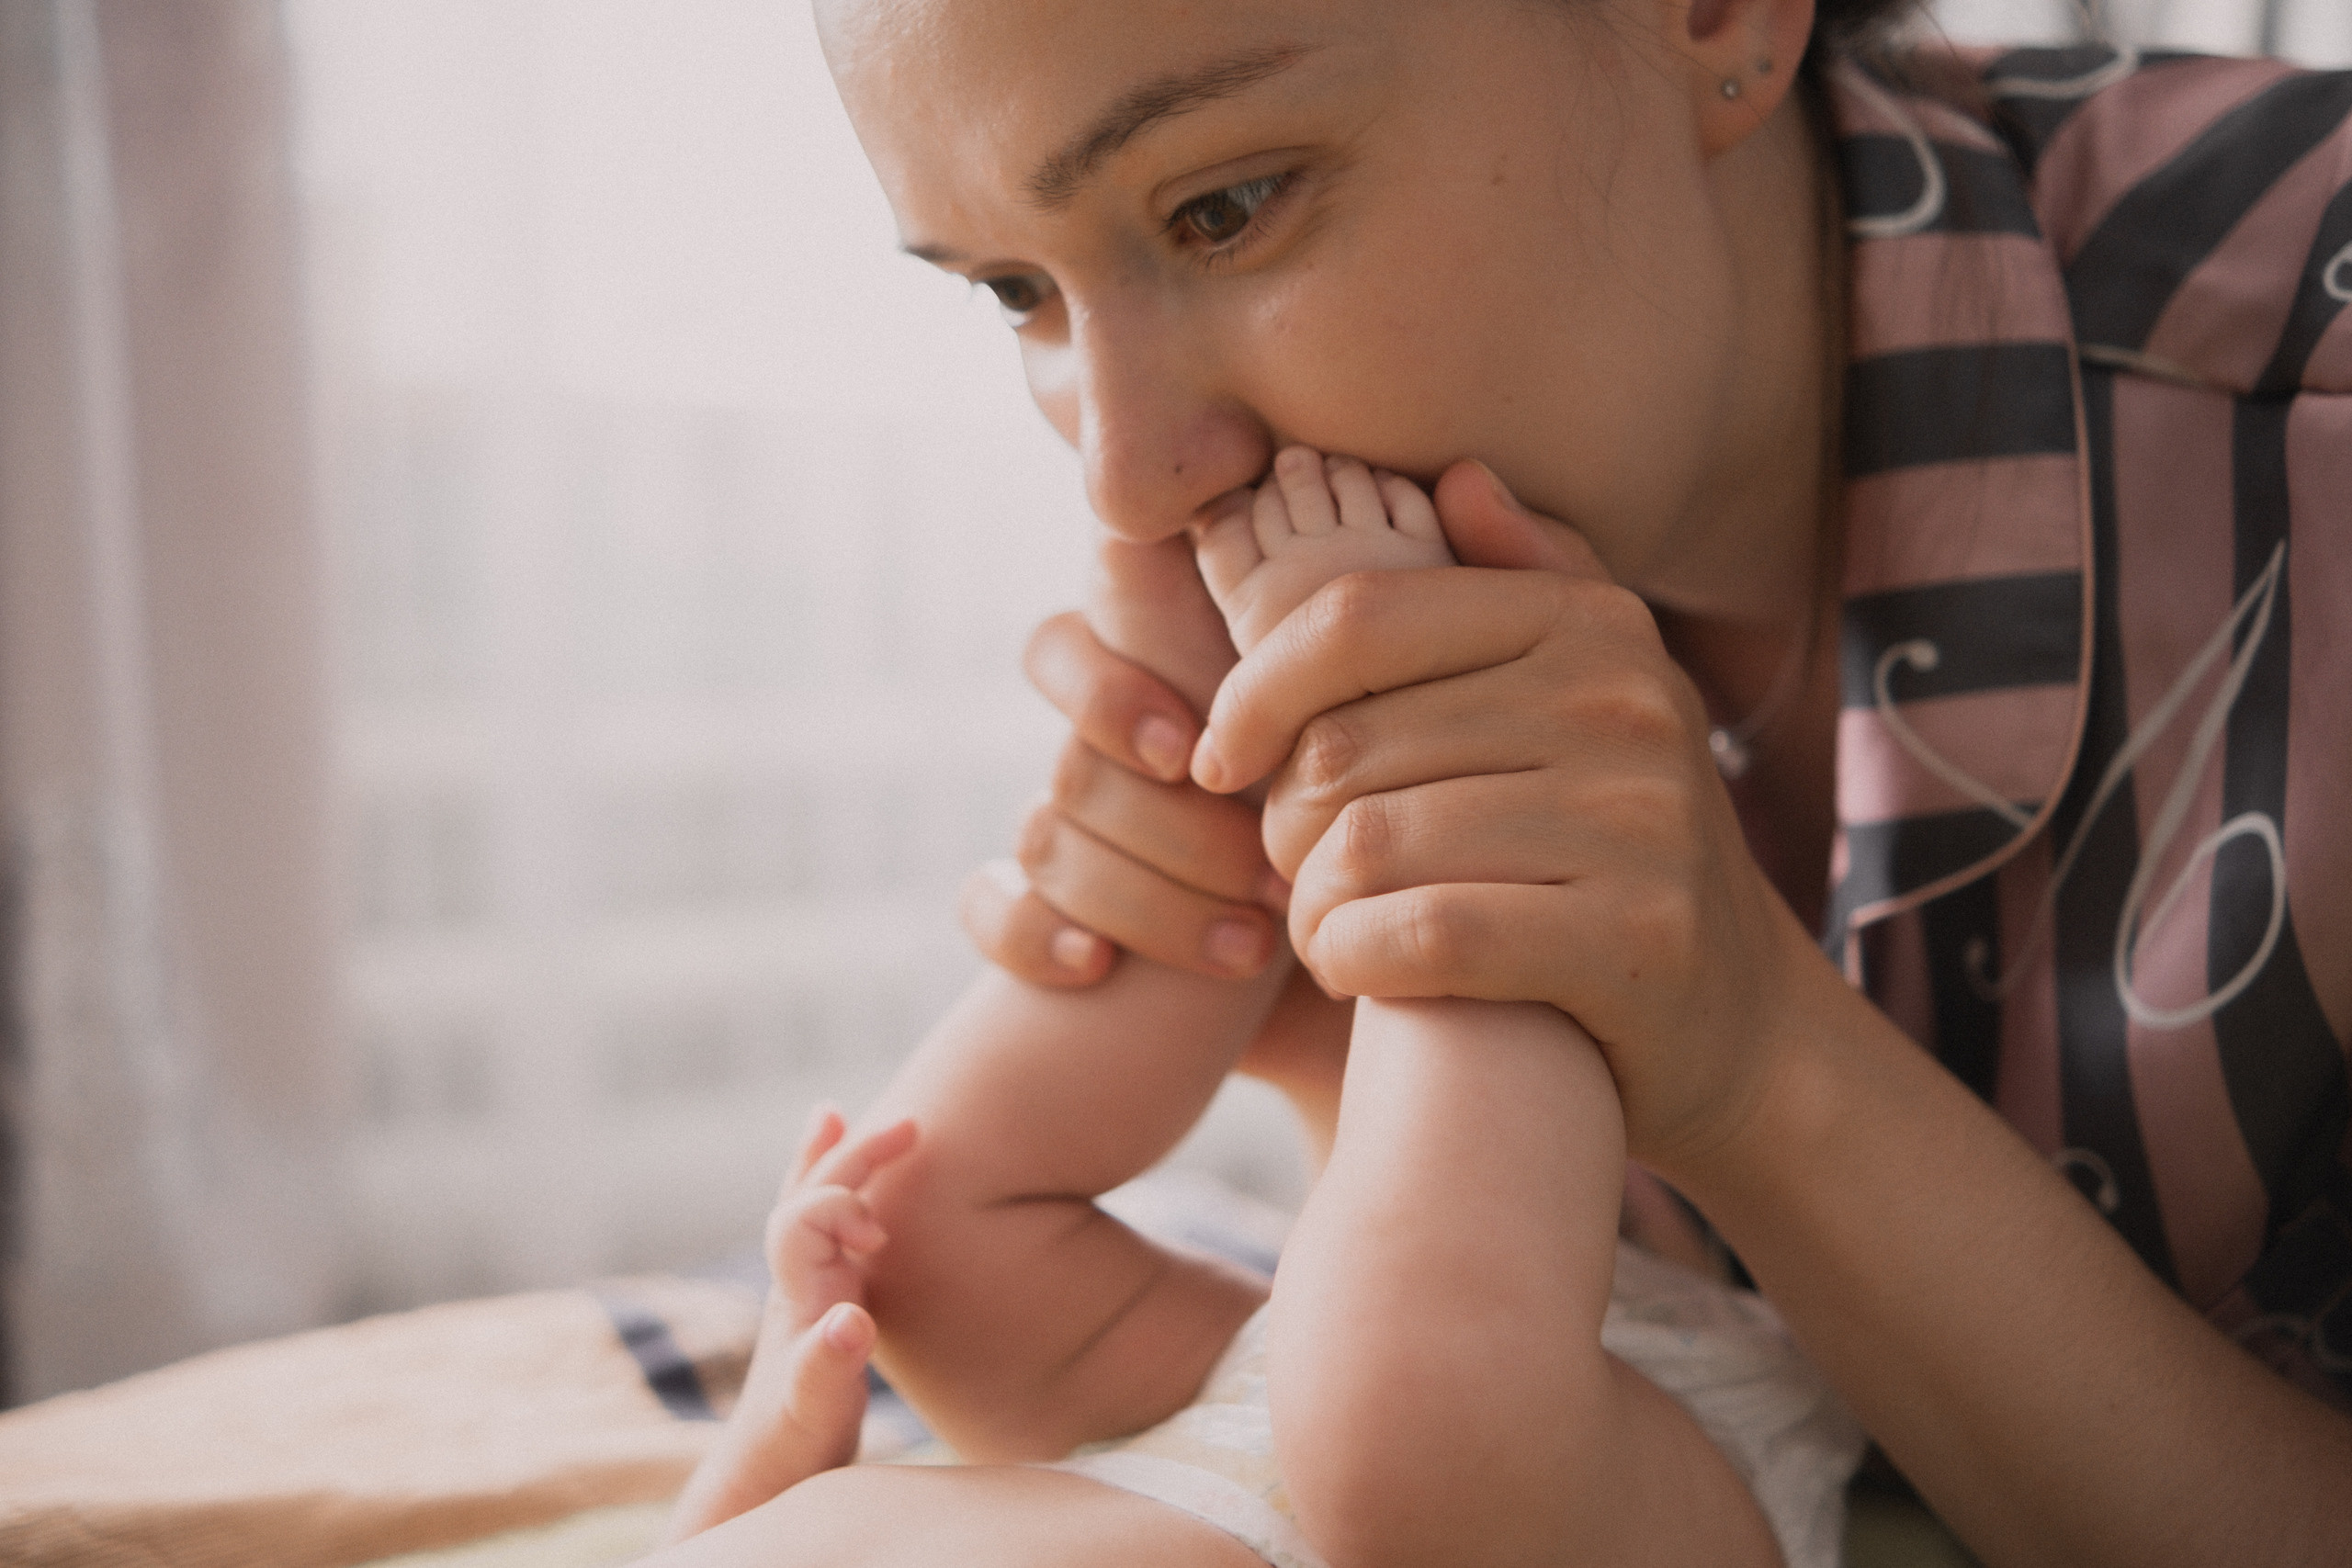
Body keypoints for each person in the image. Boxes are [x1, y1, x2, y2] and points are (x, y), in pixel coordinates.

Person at [822, 0, 2352, 1562]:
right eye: (1016, 290)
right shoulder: (1496, 474)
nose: (1127, 473)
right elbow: (1550, 1439)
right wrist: (1323, 1014)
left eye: (1223, 206)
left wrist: (1755, 1052)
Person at [650, 449, 1860, 1568]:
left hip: (1205, 1434)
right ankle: (1417, 738)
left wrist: (778, 1427)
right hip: (1537, 1487)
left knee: (908, 1231)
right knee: (1411, 1416)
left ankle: (1202, 747)